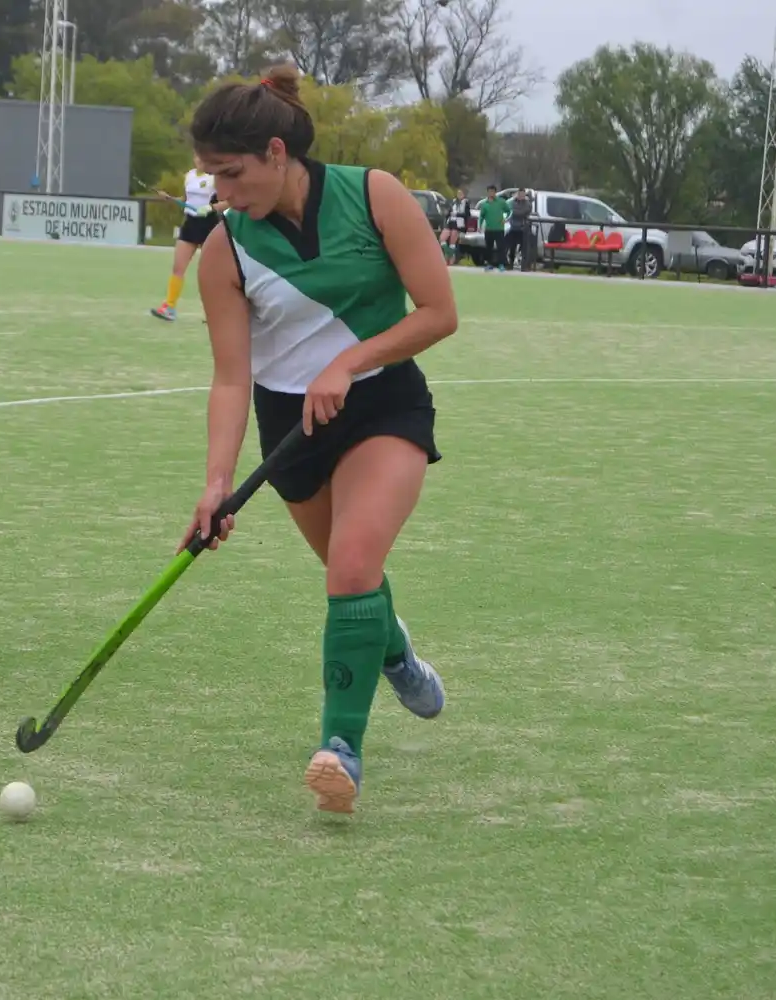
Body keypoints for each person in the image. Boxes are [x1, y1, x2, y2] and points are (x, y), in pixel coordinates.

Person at [182, 64, 458, 816]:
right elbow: (232, 379)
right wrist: (215, 482)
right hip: (291, 429)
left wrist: (350, 359)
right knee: (353, 582)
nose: (223, 194)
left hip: (381, 406)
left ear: (278, 152)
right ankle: (394, 651)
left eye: (232, 175)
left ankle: (341, 749)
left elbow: (438, 312)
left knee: (352, 562)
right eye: (212, 178)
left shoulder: (375, 196)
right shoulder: (224, 252)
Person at [151, 159, 229, 321]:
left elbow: (229, 201)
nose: (200, 160)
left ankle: (215, 311)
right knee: (178, 267)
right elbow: (186, 199)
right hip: (190, 224)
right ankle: (169, 307)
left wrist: (210, 208)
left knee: (211, 272)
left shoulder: (216, 178)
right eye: (198, 157)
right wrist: (171, 198)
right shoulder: (190, 176)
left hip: (209, 225)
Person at [476, 185, 509, 271]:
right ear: (487, 192)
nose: (491, 193)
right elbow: (481, 216)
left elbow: (508, 211)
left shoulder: (501, 202)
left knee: (500, 247)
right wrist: (479, 226)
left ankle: (501, 264)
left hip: (499, 229)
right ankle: (489, 264)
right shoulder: (485, 204)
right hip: (489, 229)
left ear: (495, 192)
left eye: (493, 191)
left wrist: (505, 219)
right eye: (490, 191)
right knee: (488, 247)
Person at [440, 188, 469, 264]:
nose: (459, 195)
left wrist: (457, 214)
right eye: (458, 193)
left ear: (464, 195)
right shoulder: (453, 202)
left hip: (458, 224)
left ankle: (450, 259)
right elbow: (449, 212)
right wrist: (447, 215)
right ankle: (450, 253)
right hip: (450, 222)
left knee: (452, 242)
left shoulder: (465, 203)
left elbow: (467, 215)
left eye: (461, 193)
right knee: (442, 238)